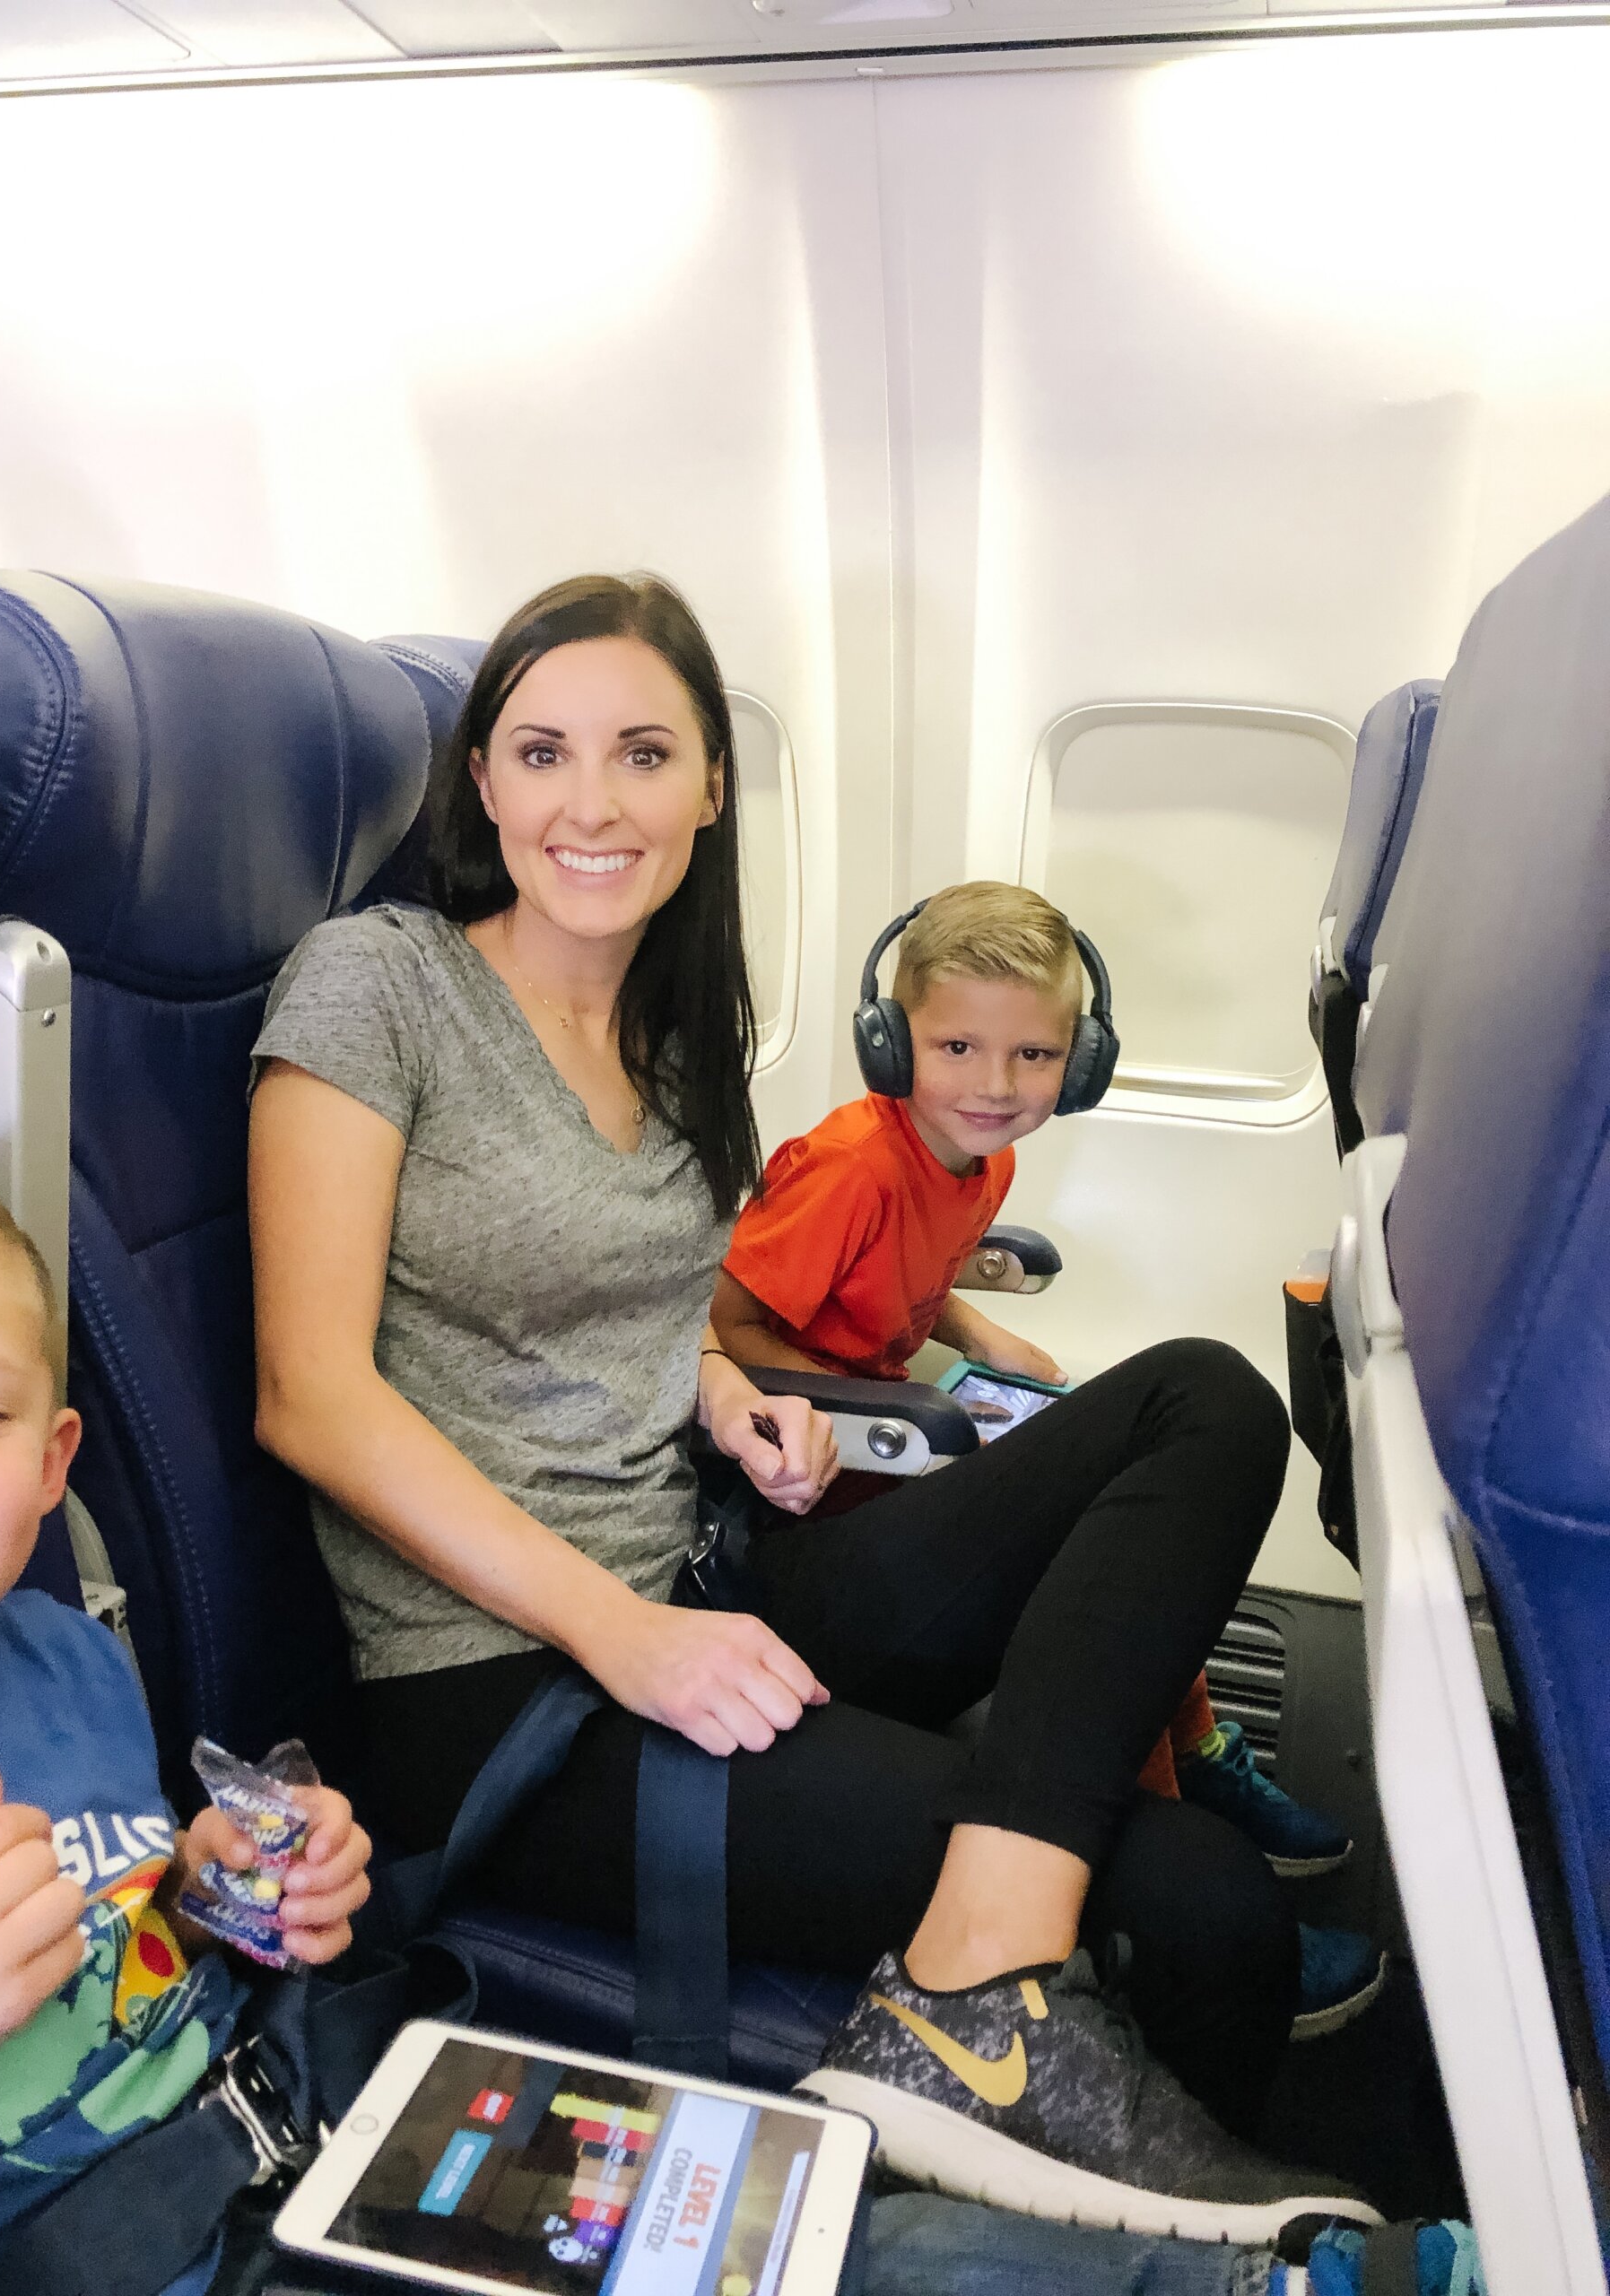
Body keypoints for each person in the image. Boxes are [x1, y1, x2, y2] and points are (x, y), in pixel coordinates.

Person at [247, 570, 1374, 2239]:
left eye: (645, 754)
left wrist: (715, 1394)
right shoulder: (378, 987)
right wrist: (623, 1639)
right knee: (1206, 1905)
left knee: (1203, 1401)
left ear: (711, 787)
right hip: (503, 1686)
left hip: (706, 1575)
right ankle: (1043, 2088)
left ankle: (972, 1995)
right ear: (481, 779)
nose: (593, 803)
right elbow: (312, 1396)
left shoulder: (677, 1027)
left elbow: (643, 1296)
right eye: (543, 753)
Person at [710, 881, 1382, 2042]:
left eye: (1034, 1055)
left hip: (893, 1435)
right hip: (815, 1487)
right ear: (890, 1043)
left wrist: (974, 1333)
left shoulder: (984, 1164)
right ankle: (1163, 1830)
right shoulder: (853, 1167)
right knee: (1106, 1534)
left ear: (1079, 1064)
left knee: (1136, 1527)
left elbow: (906, 1285)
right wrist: (866, 1400)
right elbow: (727, 1322)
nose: (995, 1084)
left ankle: (1197, 1747)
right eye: (956, 1046)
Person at [0, 1161, 373, 2295]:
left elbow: (129, 1948)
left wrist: (220, 1896)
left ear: (52, 1461)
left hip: (270, 2155)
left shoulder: (72, 1656)